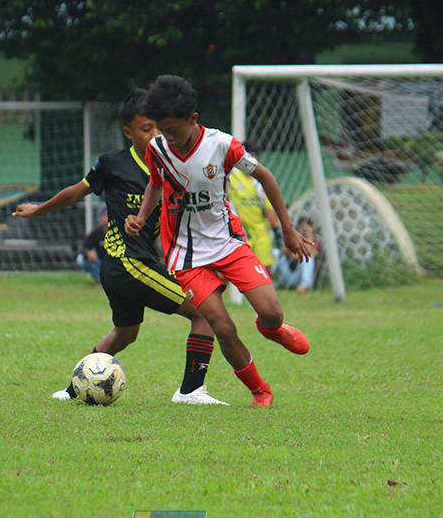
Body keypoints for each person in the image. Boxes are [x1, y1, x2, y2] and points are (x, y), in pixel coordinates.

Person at [13, 89, 227, 405]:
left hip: (127, 266)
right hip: (128, 264)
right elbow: (75, 193)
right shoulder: (113, 164)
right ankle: (191, 391)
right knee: (205, 313)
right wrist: (38, 208)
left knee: (126, 334)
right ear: (128, 132)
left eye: (158, 127)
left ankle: (72, 391)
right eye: (145, 129)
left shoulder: (172, 166)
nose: (155, 135)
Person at [125, 75, 313, 407]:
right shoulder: (158, 149)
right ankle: (260, 390)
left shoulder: (222, 145)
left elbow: (265, 176)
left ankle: (273, 330)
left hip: (228, 242)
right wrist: (142, 216)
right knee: (222, 326)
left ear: (193, 120)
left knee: (271, 312)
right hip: (185, 254)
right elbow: (155, 184)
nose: (168, 138)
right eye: (162, 131)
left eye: (174, 130)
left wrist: (287, 229)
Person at [225, 140, 279, 304]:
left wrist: (277, 232)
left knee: (266, 271)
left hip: (261, 232)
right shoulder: (233, 179)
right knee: (233, 271)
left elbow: (269, 210)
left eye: (254, 157)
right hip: (241, 234)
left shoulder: (260, 182)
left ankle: (263, 302)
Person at [271, 216, 317, 293]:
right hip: (287, 274)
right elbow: (291, 255)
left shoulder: (316, 241)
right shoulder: (293, 240)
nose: (304, 228)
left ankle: (305, 286)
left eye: (307, 225)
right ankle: (268, 281)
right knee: (275, 252)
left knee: (309, 256)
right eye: (302, 226)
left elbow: (314, 253)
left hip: (300, 276)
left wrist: (308, 237)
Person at [76, 206, 108, 283]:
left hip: (115, 264)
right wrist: (88, 252)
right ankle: (102, 281)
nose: (107, 218)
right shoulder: (96, 232)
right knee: (81, 259)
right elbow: (84, 247)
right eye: (105, 215)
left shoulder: (118, 232)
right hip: (101, 263)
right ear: (101, 217)